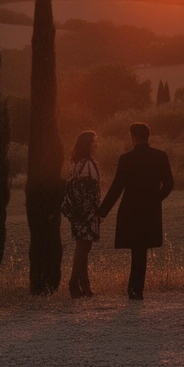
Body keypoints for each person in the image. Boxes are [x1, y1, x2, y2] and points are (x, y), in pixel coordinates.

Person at [98, 122, 174, 300]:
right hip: (150, 211)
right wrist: (156, 199)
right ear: (148, 136)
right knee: (141, 250)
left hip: (130, 210)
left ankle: (134, 289)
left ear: (133, 137)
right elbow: (169, 184)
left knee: (136, 249)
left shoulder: (126, 159)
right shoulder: (160, 156)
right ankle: (136, 289)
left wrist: (102, 211)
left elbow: (117, 187)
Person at [60, 130, 102, 299]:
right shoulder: (87, 164)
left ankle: (85, 286)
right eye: (93, 141)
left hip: (78, 213)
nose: (96, 144)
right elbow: (89, 192)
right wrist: (95, 212)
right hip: (87, 213)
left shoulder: (77, 163)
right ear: (87, 144)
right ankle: (74, 284)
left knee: (83, 248)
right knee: (83, 248)